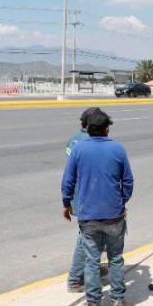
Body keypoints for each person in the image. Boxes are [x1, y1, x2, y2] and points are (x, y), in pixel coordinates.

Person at [61, 108, 134, 306]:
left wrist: (66, 204)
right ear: (106, 129)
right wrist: (121, 201)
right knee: (116, 260)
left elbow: (68, 182)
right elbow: (128, 181)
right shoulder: (118, 149)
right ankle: (118, 302)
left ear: (87, 128)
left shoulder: (78, 149)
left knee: (92, 262)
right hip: (114, 215)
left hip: (88, 216)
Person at [64, 108, 96, 294]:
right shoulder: (91, 143)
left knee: (91, 236)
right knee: (87, 237)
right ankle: (75, 279)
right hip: (88, 198)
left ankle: (88, 269)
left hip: (76, 196)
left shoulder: (74, 139)